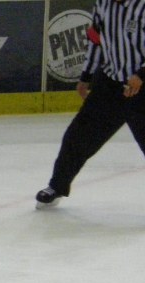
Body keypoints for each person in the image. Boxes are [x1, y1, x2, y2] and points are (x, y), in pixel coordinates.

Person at [36, 0, 145, 208]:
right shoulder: (103, 3)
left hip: (142, 88)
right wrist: (86, 76)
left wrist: (141, 74)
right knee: (78, 137)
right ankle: (57, 186)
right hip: (111, 85)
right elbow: (96, 39)